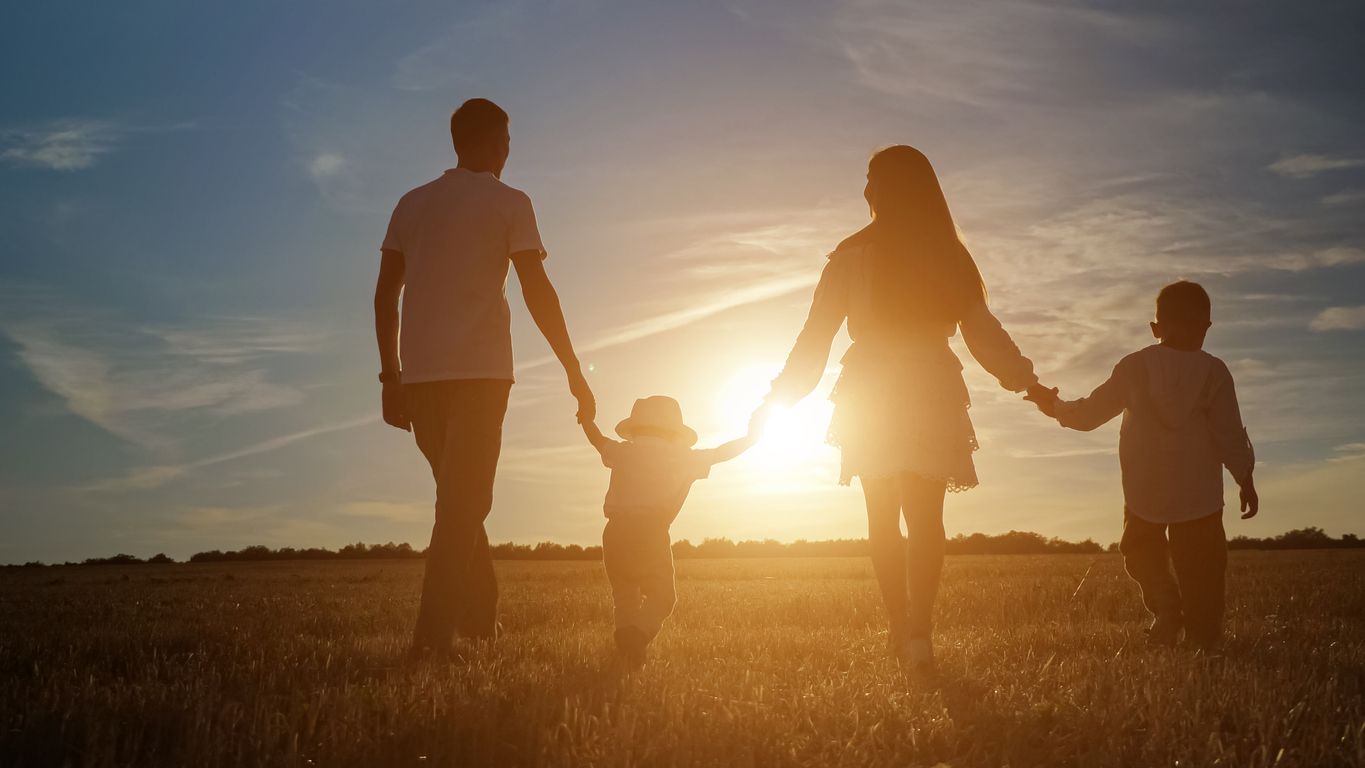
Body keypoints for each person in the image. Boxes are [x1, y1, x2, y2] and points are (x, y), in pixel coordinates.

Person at [766, 145, 1054, 670]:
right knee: (925, 519)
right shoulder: (947, 254)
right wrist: (1028, 384)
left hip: (871, 386)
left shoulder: (851, 255)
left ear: (891, 186)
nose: (866, 189)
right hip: (927, 383)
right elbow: (984, 336)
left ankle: (901, 629)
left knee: (882, 518)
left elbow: (815, 339)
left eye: (872, 178)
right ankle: (918, 632)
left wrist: (778, 398)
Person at [373, 98, 596, 656]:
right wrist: (573, 368)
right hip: (481, 377)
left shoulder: (411, 203)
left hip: (420, 379)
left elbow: (384, 296)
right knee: (460, 506)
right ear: (500, 143)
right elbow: (537, 290)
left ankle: (480, 621)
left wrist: (391, 377)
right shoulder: (511, 202)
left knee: (459, 501)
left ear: (456, 142)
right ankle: (431, 645)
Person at [1028, 281, 1257, 652]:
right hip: (1199, 493)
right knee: (1204, 569)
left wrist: (1052, 405)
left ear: (1155, 328)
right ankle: (1204, 638)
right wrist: (1244, 476)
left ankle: (1167, 607)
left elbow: (1089, 415)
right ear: (1208, 326)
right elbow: (1228, 430)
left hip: (1144, 489)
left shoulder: (1135, 366)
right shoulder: (1215, 372)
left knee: (1140, 552)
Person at [581, 396, 761, 665]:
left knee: (625, 594)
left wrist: (586, 419)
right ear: (674, 431)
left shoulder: (623, 451)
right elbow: (723, 453)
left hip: (614, 531)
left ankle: (627, 647)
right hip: (650, 531)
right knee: (663, 597)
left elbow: (597, 441)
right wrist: (752, 436)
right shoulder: (682, 457)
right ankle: (637, 637)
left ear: (636, 426)